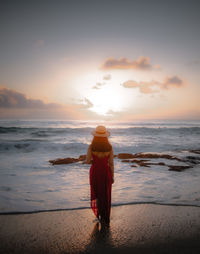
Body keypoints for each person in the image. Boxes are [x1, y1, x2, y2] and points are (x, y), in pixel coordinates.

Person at [86, 125, 114, 225]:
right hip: (106, 173)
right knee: (105, 194)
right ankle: (105, 216)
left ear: (95, 136)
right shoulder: (109, 147)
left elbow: (88, 160)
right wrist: (112, 176)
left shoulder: (91, 147)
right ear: (106, 136)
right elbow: (111, 163)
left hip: (95, 172)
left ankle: (98, 215)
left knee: (97, 193)